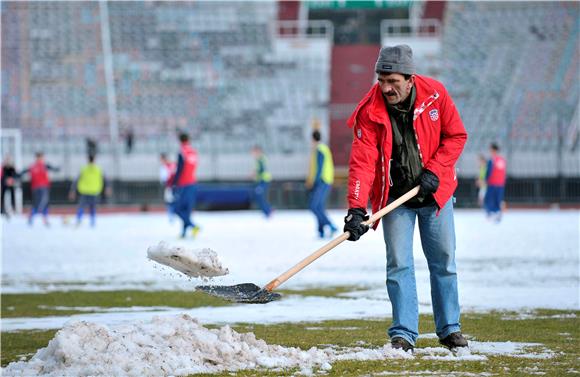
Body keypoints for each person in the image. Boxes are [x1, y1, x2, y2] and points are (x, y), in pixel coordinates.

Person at [342, 45, 468, 352]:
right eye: (382, 80)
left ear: (409, 79)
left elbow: (456, 136)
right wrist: (357, 208)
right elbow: (363, 161)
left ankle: (450, 329)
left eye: (393, 82)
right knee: (398, 263)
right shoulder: (369, 110)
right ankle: (403, 333)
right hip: (395, 198)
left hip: (434, 194)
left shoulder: (436, 94)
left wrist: (435, 171)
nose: (386, 88)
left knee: (443, 262)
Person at [305, 130, 337, 238]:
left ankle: (331, 225)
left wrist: (314, 182)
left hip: (322, 181)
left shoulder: (319, 149)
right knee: (319, 206)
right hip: (325, 180)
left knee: (314, 206)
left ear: (313, 139)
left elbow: (319, 167)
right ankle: (321, 230)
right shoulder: (323, 148)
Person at [170, 133, 200, 238]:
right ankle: (183, 233)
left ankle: (193, 226)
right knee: (187, 209)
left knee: (177, 209)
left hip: (183, 184)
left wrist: (174, 183)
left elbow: (179, 169)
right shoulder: (194, 152)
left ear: (180, 140)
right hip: (192, 182)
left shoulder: (182, 152)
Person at [20, 152, 60, 226]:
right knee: (38, 203)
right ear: (37, 158)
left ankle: (44, 219)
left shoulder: (45, 165)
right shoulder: (33, 166)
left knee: (45, 203)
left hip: (44, 187)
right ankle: (32, 217)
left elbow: (54, 169)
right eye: (40, 157)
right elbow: (23, 172)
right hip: (36, 187)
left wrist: (57, 169)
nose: (41, 159)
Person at [69, 154, 108, 227]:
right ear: (95, 159)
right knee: (92, 206)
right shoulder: (98, 169)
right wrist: (107, 187)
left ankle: (79, 220)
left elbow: (76, 180)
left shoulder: (83, 169)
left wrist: (72, 190)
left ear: (87, 159)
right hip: (94, 191)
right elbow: (105, 179)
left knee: (81, 206)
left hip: (84, 191)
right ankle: (92, 221)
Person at [483, 142, 507, 222]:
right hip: (500, 184)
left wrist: (485, 180)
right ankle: (497, 213)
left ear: (493, 150)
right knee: (498, 199)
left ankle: (490, 213)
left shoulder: (492, 160)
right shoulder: (502, 160)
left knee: (489, 199)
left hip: (492, 183)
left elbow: (489, 172)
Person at [251, 145, 273, 217]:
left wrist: (255, 174)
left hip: (264, 180)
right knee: (258, 195)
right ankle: (267, 211)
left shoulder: (261, 159)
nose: (253, 154)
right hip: (261, 181)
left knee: (259, 194)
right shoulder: (258, 160)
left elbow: (261, 170)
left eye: (254, 152)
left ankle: (268, 211)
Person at [159, 153, 176, 222]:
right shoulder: (172, 164)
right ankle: (171, 214)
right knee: (170, 200)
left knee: (170, 200)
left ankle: (172, 214)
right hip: (173, 185)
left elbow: (164, 178)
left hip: (171, 186)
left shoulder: (166, 166)